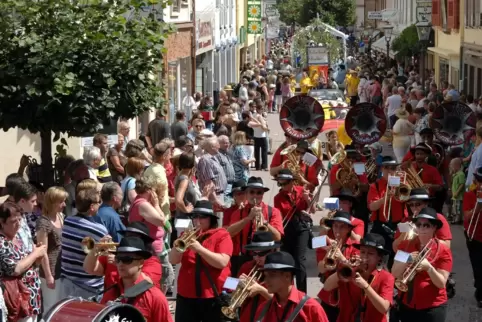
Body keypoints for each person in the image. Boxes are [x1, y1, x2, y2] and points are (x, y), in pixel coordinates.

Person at [169, 200, 233, 322]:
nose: (198, 220)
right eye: (195, 216)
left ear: (211, 219)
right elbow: (173, 260)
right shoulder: (185, 235)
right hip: (186, 296)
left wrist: (199, 249)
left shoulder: (222, 235)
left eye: (202, 217)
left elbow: (222, 262)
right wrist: (177, 248)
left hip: (212, 296)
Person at [392, 208, 452, 322]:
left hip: (433, 307)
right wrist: (408, 259)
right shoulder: (405, 245)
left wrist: (429, 268)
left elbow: (441, 283)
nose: (422, 228)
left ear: (434, 227)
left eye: (427, 225)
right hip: (407, 304)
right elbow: (394, 272)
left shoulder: (443, 250)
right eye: (418, 224)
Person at [323, 233, 394, 322]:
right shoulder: (351, 271)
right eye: (363, 252)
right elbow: (327, 286)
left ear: (379, 257)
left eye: (370, 253)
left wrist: (366, 286)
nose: (365, 256)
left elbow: (384, 308)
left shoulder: (387, 277)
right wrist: (346, 266)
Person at [100, 236, 172, 322]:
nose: (120, 264)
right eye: (118, 259)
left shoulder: (155, 297)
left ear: (141, 263)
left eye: (127, 259)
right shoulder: (110, 293)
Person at [227, 177, 284, 276]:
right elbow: (229, 233)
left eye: (259, 193)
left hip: (265, 259)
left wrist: (265, 222)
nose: (255, 195)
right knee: (233, 287)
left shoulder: (273, 212)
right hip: (242, 259)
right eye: (252, 192)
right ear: (246, 194)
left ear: (263, 195)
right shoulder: (237, 213)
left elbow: (278, 237)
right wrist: (248, 218)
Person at [0, 202, 46, 321]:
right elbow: (15, 269)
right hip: (17, 300)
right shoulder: (1, 242)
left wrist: (37, 259)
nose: (18, 224)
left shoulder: (17, 237)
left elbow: (29, 264)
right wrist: (34, 254)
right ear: (2, 222)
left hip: (31, 297)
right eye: (13, 221)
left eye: (20, 220)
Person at [60, 188, 108, 299]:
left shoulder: (67, 221)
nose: (100, 205)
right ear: (91, 207)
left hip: (67, 283)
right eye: (98, 202)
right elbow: (104, 257)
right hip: (90, 287)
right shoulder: (99, 230)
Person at [85, 221, 162, 290]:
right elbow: (90, 269)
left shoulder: (152, 262)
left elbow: (146, 283)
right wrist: (95, 249)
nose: (129, 239)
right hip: (110, 302)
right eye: (127, 235)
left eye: (134, 236)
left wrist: (120, 263)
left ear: (144, 241)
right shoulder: (114, 254)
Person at [254, 251, 329, 321]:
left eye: (272, 275)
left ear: (287, 276)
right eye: (265, 276)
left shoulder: (311, 307)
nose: (266, 280)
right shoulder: (263, 309)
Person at [273, 169, 313, 293]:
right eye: (280, 184)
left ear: (292, 182)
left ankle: (302, 293)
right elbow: (279, 217)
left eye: (285, 183)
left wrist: (307, 199)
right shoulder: (278, 198)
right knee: (288, 263)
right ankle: (289, 292)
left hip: (301, 228)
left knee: (300, 261)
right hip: (287, 229)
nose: (283, 186)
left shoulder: (301, 191)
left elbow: (314, 209)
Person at [317, 211, 360, 322]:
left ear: (349, 229)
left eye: (342, 227)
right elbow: (320, 269)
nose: (337, 230)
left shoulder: (357, 246)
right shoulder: (324, 242)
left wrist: (342, 258)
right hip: (328, 294)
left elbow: (355, 270)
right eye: (335, 226)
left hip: (348, 297)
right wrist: (328, 256)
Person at [367, 156, 407, 264]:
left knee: (401, 255)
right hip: (381, 225)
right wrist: (385, 198)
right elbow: (372, 207)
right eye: (386, 167)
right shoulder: (375, 186)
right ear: (381, 169)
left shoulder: (403, 184)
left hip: (400, 224)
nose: (390, 171)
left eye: (393, 168)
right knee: (379, 256)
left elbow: (409, 202)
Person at [36, 186, 68, 314]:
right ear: (52, 202)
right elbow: (42, 251)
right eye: (61, 201)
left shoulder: (61, 216)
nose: (64, 204)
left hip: (62, 269)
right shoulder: (43, 222)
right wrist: (48, 275)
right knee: (51, 308)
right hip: (51, 271)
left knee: (61, 306)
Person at [236, 231, 278, 322]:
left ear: (272, 251)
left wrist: (261, 290)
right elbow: (227, 285)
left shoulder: (280, 271)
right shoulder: (247, 266)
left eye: (262, 254)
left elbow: (283, 301)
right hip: (246, 317)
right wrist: (237, 283)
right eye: (254, 254)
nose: (257, 257)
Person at [463, 167, 482, 307]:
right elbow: (467, 217)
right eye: (480, 181)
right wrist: (479, 204)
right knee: (478, 268)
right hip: (475, 237)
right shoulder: (470, 195)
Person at [450, 157, 465, 224]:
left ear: (457, 165)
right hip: (455, 196)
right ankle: (455, 218)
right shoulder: (455, 174)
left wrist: (457, 192)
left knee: (458, 208)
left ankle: (458, 219)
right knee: (455, 207)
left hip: (458, 196)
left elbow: (461, 184)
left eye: (452, 166)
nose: (451, 168)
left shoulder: (461, 174)